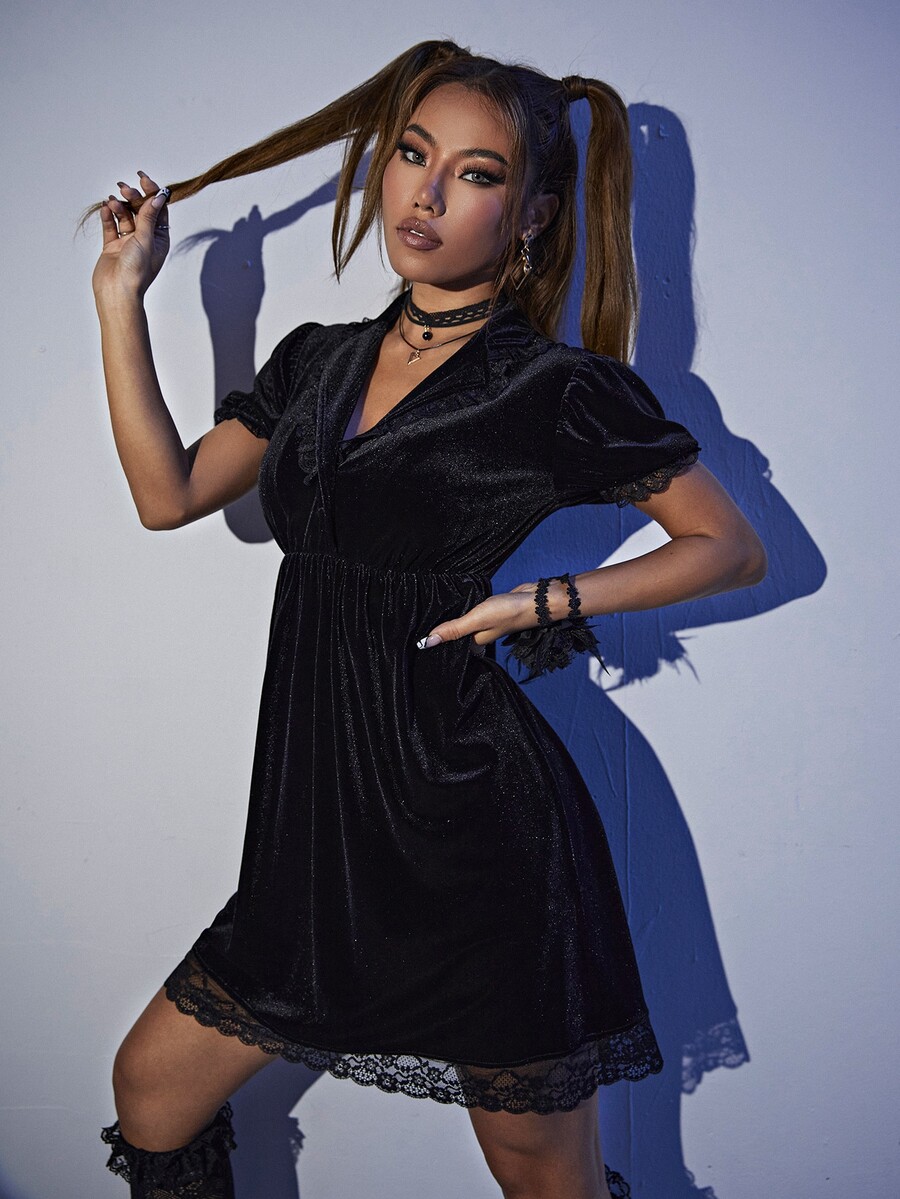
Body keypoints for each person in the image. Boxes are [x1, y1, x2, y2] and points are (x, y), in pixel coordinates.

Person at [89, 39, 766, 1199]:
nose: (428, 192)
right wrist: (125, 298)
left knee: (540, 1174)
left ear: (533, 216)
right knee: (152, 1088)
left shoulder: (549, 387)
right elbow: (169, 493)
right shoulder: (317, 364)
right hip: (316, 841)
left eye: (477, 173)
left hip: (475, 835)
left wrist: (546, 599)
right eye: (413, 155)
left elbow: (730, 545)